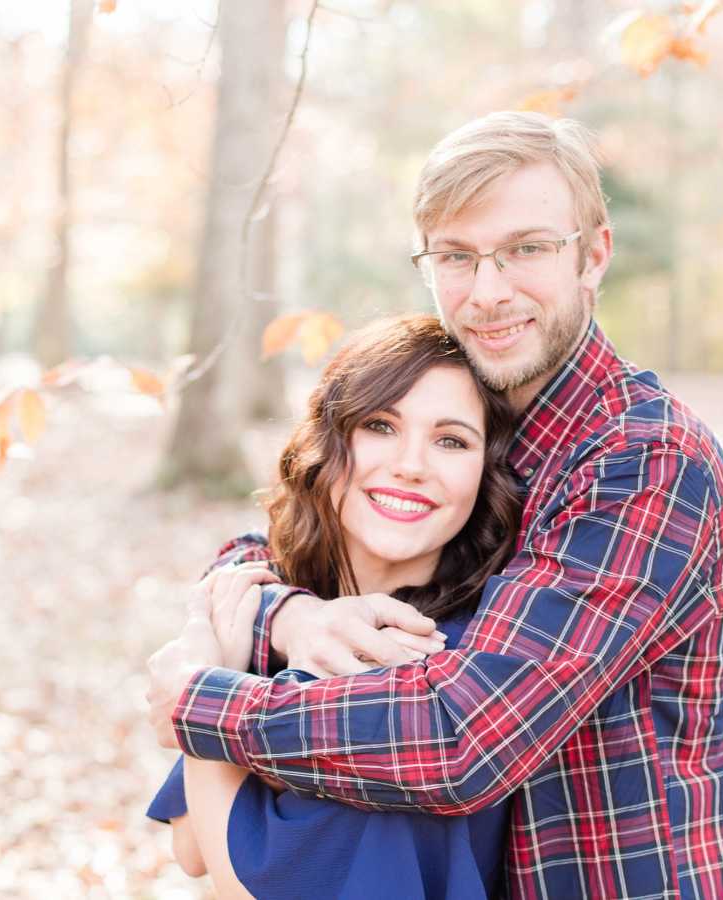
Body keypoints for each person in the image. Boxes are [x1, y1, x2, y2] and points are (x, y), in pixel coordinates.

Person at [148, 111, 723, 899]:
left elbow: (462, 738)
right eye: (456, 256)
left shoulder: (644, 459)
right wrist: (288, 615)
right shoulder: (481, 414)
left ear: (594, 255)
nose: (488, 292)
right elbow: (276, 535)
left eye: (527, 250)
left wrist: (203, 699)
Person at [147, 314, 523, 899]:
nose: (411, 464)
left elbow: (242, 883)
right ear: (328, 439)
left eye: (451, 440)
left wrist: (205, 685)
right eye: (380, 425)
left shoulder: (422, 662)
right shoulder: (295, 605)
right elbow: (191, 843)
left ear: (485, 472)